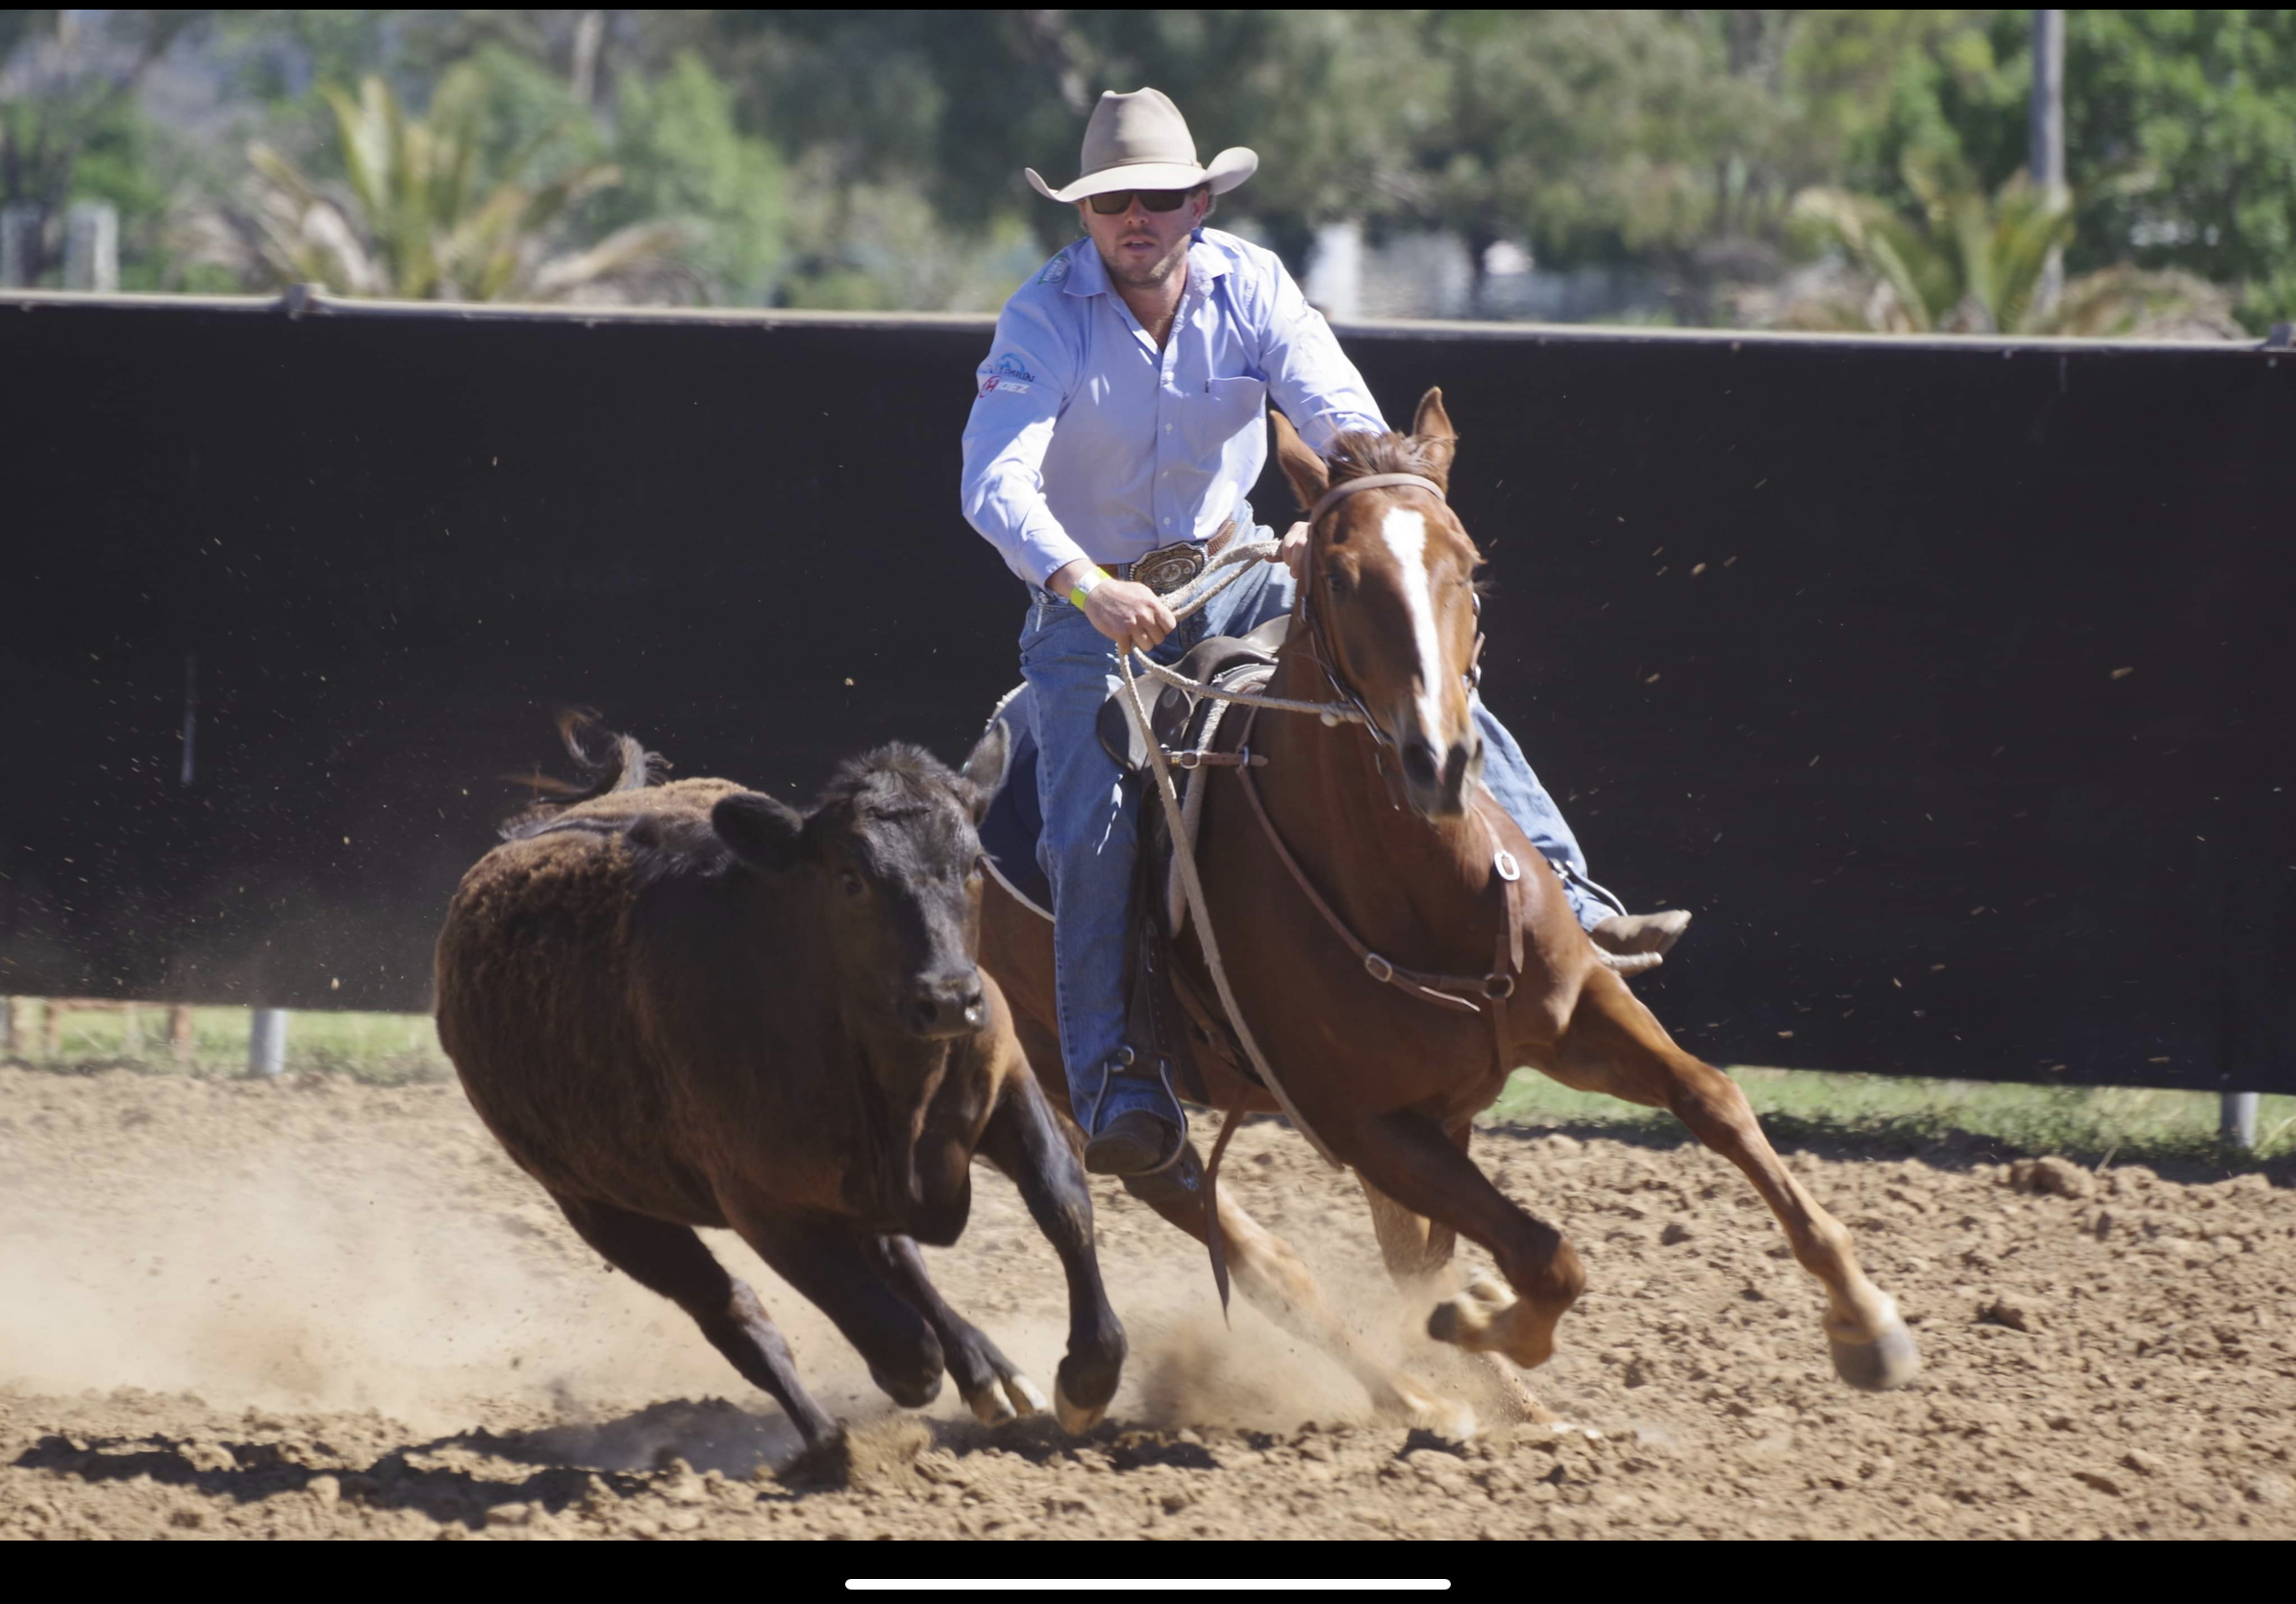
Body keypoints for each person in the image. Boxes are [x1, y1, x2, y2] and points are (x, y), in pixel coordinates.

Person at [960, 88, 1687, 1177]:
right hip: (1094, 616)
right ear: (1085, 215)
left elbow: (1340, 411)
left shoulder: (1252, 285)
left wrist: (1345, 506)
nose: (1135, 218)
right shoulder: (1042, 319)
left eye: (1157, 197)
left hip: (1238, 572)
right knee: (1088, 822)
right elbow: (994, 479)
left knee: (1426, 678)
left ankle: (1574, 905)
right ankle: (1117, 1074)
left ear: (1200, 202)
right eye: (1112, 202)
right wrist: (1083, 584)